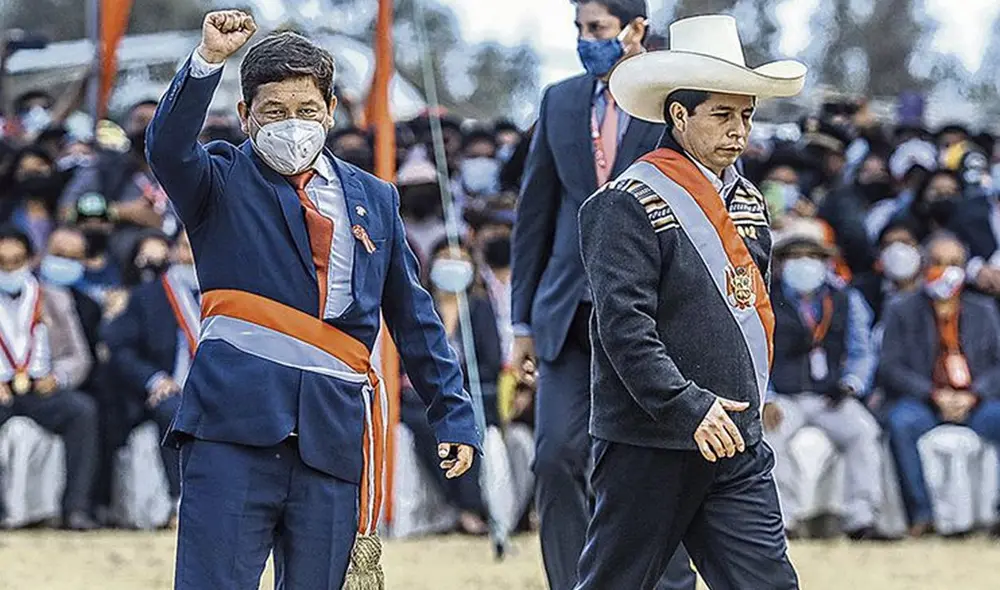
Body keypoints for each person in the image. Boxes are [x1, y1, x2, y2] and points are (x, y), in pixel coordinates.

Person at [145, 11, 479, 589]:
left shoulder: (374, 198)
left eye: (306, 110)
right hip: (232, 433)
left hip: (333, 437)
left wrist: (452, 411)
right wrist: (207, 62)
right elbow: (169, 147)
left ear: (330, 110)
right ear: (246, 116)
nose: (292, 124)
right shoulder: (217, 181)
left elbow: (415, 317)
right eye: (274, 112)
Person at [574, 14, 805, 589]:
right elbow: (625, 329)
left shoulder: (751, 200)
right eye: (722, 115)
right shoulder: (624, 202)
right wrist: (686, 406)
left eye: (746, 115)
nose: (739, 131)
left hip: (735, 438)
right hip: (649, 443)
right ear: (679, 115)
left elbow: (751, 307)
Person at [510, 1, 693, 588]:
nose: (586, 41)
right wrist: (521, 324)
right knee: (556, 457)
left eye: (598, 30)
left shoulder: (672, 98)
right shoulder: (560, 100)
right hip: (567, 315)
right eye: (579, 30)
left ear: (635, 30)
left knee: (651, 464)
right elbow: (533, 214)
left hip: (651, 317)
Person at [762, 219, 882, 540]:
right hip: (783, 396)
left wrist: (852, 383)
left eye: (812, 256)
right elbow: (752, 353)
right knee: (770, 437)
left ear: (824, 262)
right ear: (781, 262)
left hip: (830, 396)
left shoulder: (846, 299)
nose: (804, 263)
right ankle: (783, 520)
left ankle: (861, 518)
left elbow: (863, 349)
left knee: (864, 431)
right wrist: (766, 397)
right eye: (795, 255)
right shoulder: (764, 299)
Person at [880, 233, 1000, 537]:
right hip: (925, 400)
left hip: (976, 401)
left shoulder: (983, 310)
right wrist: (934, 395)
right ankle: (922, 516)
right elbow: (890, 366)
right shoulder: (901, 308)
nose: (946, 270)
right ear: (923, 265)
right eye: (938, 262)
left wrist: (975, 395)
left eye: (954, 263)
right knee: (900, 423)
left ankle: (995, 515)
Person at [0, 225, 97, 530]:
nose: (9, 269)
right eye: (2, 262)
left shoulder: (52, 298)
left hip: (42, 388)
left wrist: (58, 378)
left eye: (16, 261)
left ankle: (75, 508)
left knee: (83, 411)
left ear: (31, 260)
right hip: (2, 391)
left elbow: (80, 356)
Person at [102, 232, 200, 520]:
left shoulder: (230, 294)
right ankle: (179, 500)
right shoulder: (149, 296)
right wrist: (155, 379)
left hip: (220, 390)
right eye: (184, 247)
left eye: (197, 246)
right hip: (168, 390)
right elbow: (121, 350)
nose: (191, 255)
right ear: (172, 251)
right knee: (175, 410)